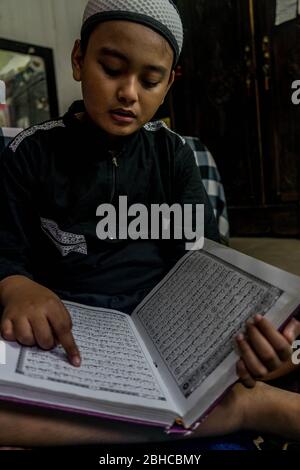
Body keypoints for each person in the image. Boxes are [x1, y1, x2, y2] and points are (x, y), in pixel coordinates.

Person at [0, 0, 299, 447]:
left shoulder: (174, 154)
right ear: (79, 60)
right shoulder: (29, 152)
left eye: (150, 79)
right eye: (112, 68)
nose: (129, 93)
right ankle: (245, 409)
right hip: (68, 334)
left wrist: (245, 327)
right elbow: (6, 249)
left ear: (169, 83)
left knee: (282, 344)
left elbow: (201, 259)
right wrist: (18, 286)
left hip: (164, 331)